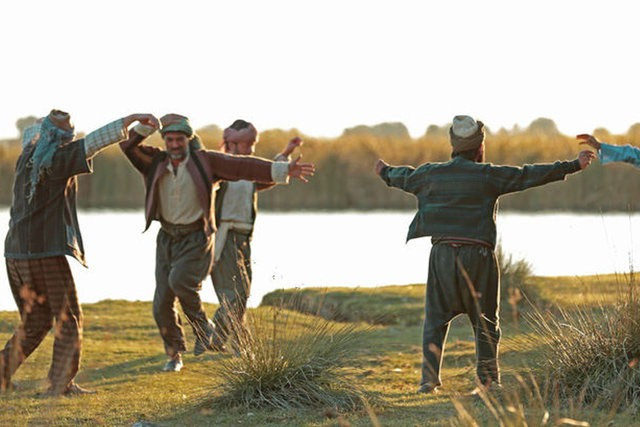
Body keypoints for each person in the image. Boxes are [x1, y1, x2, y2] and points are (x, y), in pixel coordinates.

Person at [375, 115, 596, 394]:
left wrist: (384, 171)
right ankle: (488, 382)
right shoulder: (488, 174)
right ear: (479, 148)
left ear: (454, 147)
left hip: (442, 255)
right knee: (486, 322)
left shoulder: (431, 173)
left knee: (435, 320)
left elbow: (402, 176)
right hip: (478, 256)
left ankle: (428, 381)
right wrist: (573, 165)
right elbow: (527, 174)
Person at [120, 114, 314, 372]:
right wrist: (144, 128)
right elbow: (128, 147)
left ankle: (208, 331)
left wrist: (282, 168)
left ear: (188, 140)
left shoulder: (206, 163)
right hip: (167, 237)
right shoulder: (155, 161)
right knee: (161, 303)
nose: (175, 144)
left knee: (189, 284)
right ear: (164, 140)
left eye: (180, 139)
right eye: (170, 139)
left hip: (197, 237)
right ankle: (175, 354)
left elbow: (243, 167)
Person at [1, 110, 159, 395]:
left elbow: (33, 132)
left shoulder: (28, 153)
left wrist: (47, 122)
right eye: (69, 135)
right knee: (68, 317)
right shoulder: (58, 158)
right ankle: (61, 384)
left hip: (14, 253)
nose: (71, 140)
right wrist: (129, 119)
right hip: (44, 252)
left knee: (36, 320)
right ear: (61, 138)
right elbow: (94, 142)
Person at [210, 120, 303, 351]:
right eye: (247, 144)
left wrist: (286, 154)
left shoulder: (248, 172)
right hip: (224, 238)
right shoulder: (219, 171)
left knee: (242, 292)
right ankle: (215, 338)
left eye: (253, 144)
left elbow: (269, 174)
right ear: (232, 144)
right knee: (235, 294)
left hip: (244, 239)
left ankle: (238, 343)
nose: (251, 149)